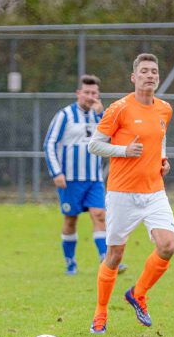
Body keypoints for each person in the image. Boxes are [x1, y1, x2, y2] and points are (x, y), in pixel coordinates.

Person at [86, 53, 174, 334]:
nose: (150, 75)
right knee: (114, 254)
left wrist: (163, 158)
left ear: (158, 78)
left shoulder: (165, 109)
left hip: (154, 191)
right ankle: (100, 312)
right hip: (122, 193)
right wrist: (123, 151)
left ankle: (138, 293)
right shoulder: (119, 108)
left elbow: (159, 139)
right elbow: (94, 146)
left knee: (167, 246)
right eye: (144, 71)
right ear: (134, 78)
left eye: (154, 71)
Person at [43, 74, 126, 275]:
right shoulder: (65, 115)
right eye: (87, 92)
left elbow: (114, 138)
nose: (90, 96)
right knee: (71, 219)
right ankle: (70, 263)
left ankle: (106, 261)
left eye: (94, 93)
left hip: (94, 179)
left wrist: (102, 114)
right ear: (78, 93)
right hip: (70, 179)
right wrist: (56, 172)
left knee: (100, 215)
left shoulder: (101, 116)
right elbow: (49, 144)